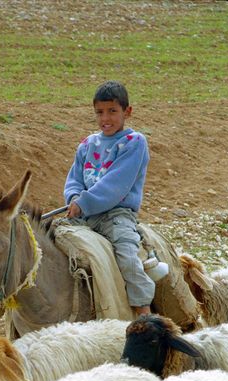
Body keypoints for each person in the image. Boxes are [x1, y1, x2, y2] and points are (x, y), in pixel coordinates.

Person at [63, 80, 155, 316]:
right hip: (85, 215)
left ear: (127, 111)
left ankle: (143, 310)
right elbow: (74, 178)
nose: (106, 118)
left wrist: (83, 203)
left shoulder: (134, 143)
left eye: (113, 111)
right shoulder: (87, 144)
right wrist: (73, 197)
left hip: (117, 215)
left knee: (127, 258)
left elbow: (116, 184)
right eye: (100, 112)